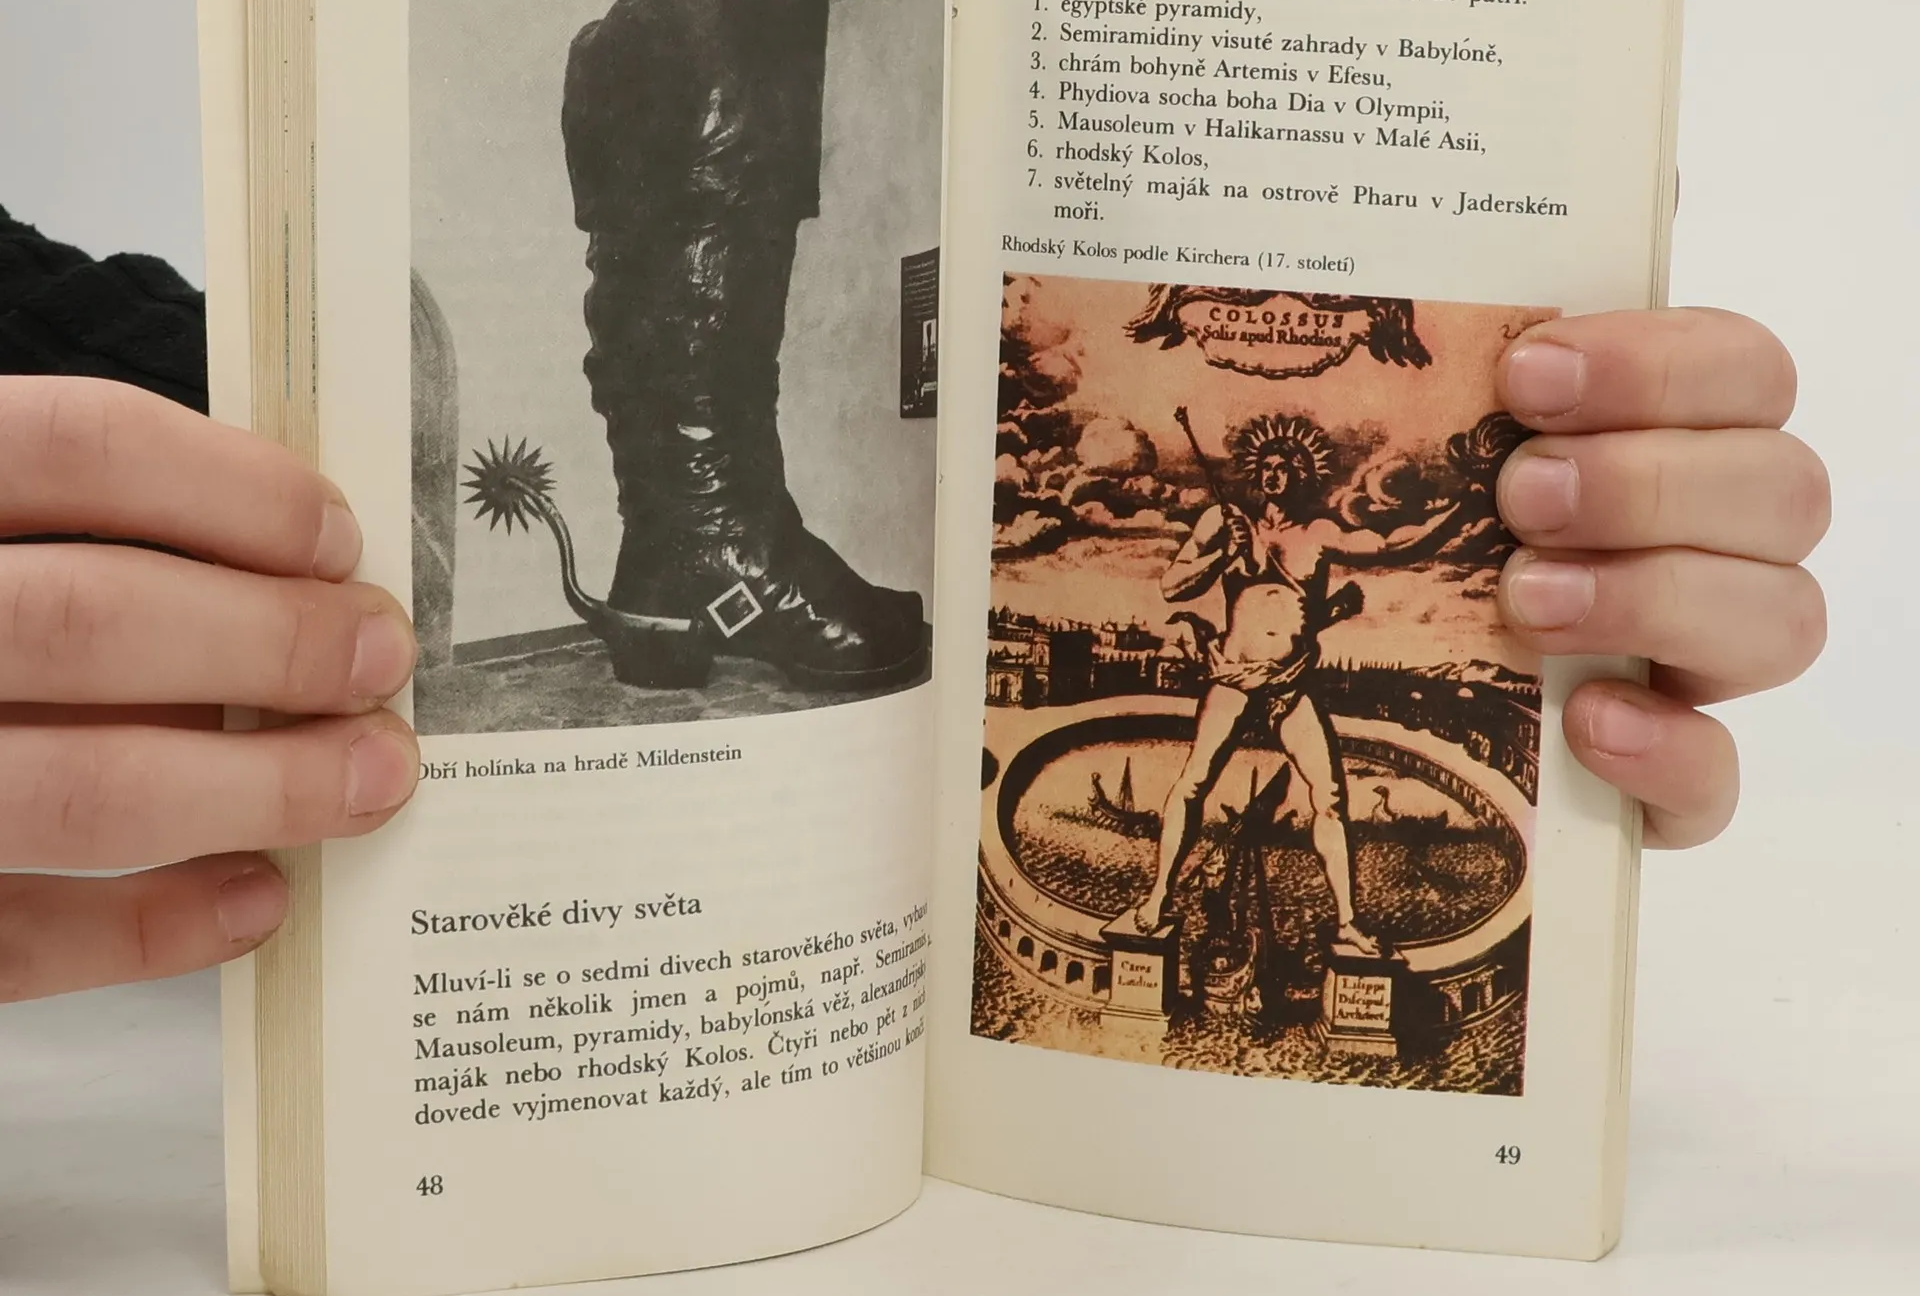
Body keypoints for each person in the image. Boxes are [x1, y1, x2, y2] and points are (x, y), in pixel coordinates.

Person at [0, 208, 1832, 1003]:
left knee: (1317, 794)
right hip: (1229, 687)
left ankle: (698, 549)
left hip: (1281, 683)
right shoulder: (1234, 536)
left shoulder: (1310, 549)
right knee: (1213, 788)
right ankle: (704, 557)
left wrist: (1515, 573)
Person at [1131, 411, 1467, 949]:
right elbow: (1173, 587)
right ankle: (1156, 898)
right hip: (1234, 680)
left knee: (1329, 796)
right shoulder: (1223, 521)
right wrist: (1222, 554)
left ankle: (1348, 921)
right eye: (1266, 466)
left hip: (1289, 685)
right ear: (1254, 472)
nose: (1273, 475)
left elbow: (1394, 547)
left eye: (1285, 467)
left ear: (1302, 476)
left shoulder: (1318, 534)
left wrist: (1459, 514)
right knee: (1193, 784)